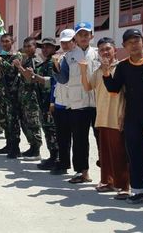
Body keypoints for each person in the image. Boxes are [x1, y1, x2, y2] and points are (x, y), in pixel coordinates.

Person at [104, 29, 143, 204]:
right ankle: (138, 191)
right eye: (129, 42)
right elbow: (114, 88)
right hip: (132, 118)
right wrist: (106, 72)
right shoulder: (123, 66)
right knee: (135, 155)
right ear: (124, 46)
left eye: (136, 40)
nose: (133, 44)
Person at [80, 37, 129, 200]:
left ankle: (123, 186)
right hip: (102, 117)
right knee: (105, 153)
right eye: (101, 50)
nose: (105, 52)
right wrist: (82, 71)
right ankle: (108, 181)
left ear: (115, 50)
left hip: (117, 117)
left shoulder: (122, 68)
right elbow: (88, 87)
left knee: (119, 153)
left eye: (108, 49)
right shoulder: (98, 70)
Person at [54, 22, 99, 184]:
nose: (84, 37)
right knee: (80, 140)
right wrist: (56, 68)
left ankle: (108, 174)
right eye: (80, 35)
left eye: (86, 34)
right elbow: (63, 79)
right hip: (77, 104)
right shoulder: (68, 57)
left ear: (91, 36)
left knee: (101, 138)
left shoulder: (98, 53)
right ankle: (82, 172)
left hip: (97, 102)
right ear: (76, 38)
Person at [21, 37, 59, 169]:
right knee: (48, 130)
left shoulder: (53, 63)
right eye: (43, 46)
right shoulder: (45, 63)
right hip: (43, 102)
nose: (45, 49)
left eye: (48, 46)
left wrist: (35, 76)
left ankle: (56, 158)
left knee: (52, 130)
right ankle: (53, 157)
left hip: (50, 102)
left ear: (54, 48)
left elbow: (50, 81)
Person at [12, 37, 43, 161]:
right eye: (25, 46)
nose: (27, 48)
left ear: (35, 47)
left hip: (32, 98)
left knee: (33, 123)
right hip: (24, 97)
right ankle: (32, 146)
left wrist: (19, 67)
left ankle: (36, 150)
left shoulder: (36, 60)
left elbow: (31, 78)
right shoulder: (27, 60)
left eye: (29, 46)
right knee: (25, 123)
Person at [0, 33, 23, 158]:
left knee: (13, 121)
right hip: (2, 94)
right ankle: (8, 144)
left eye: (7, 41)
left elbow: (12, 71)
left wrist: (0, 60)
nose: (5, 43)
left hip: (12, 94)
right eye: (3, 41)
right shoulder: (0, 55)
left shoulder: (17, 55)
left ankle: (15, 148)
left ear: (12, 41)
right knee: (4, 120)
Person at [50, 29, 75, 175]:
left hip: (72, 103)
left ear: (74, 41)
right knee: (62, 137)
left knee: (75, 138)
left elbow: (65, 79)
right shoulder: (61, 57)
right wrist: (52, 101)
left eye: (68, 42)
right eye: (63, 42)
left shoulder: (77, 57)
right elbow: (56, 82)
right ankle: (63, 163)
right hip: (60, 102)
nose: (65, 45)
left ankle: (79, 168)